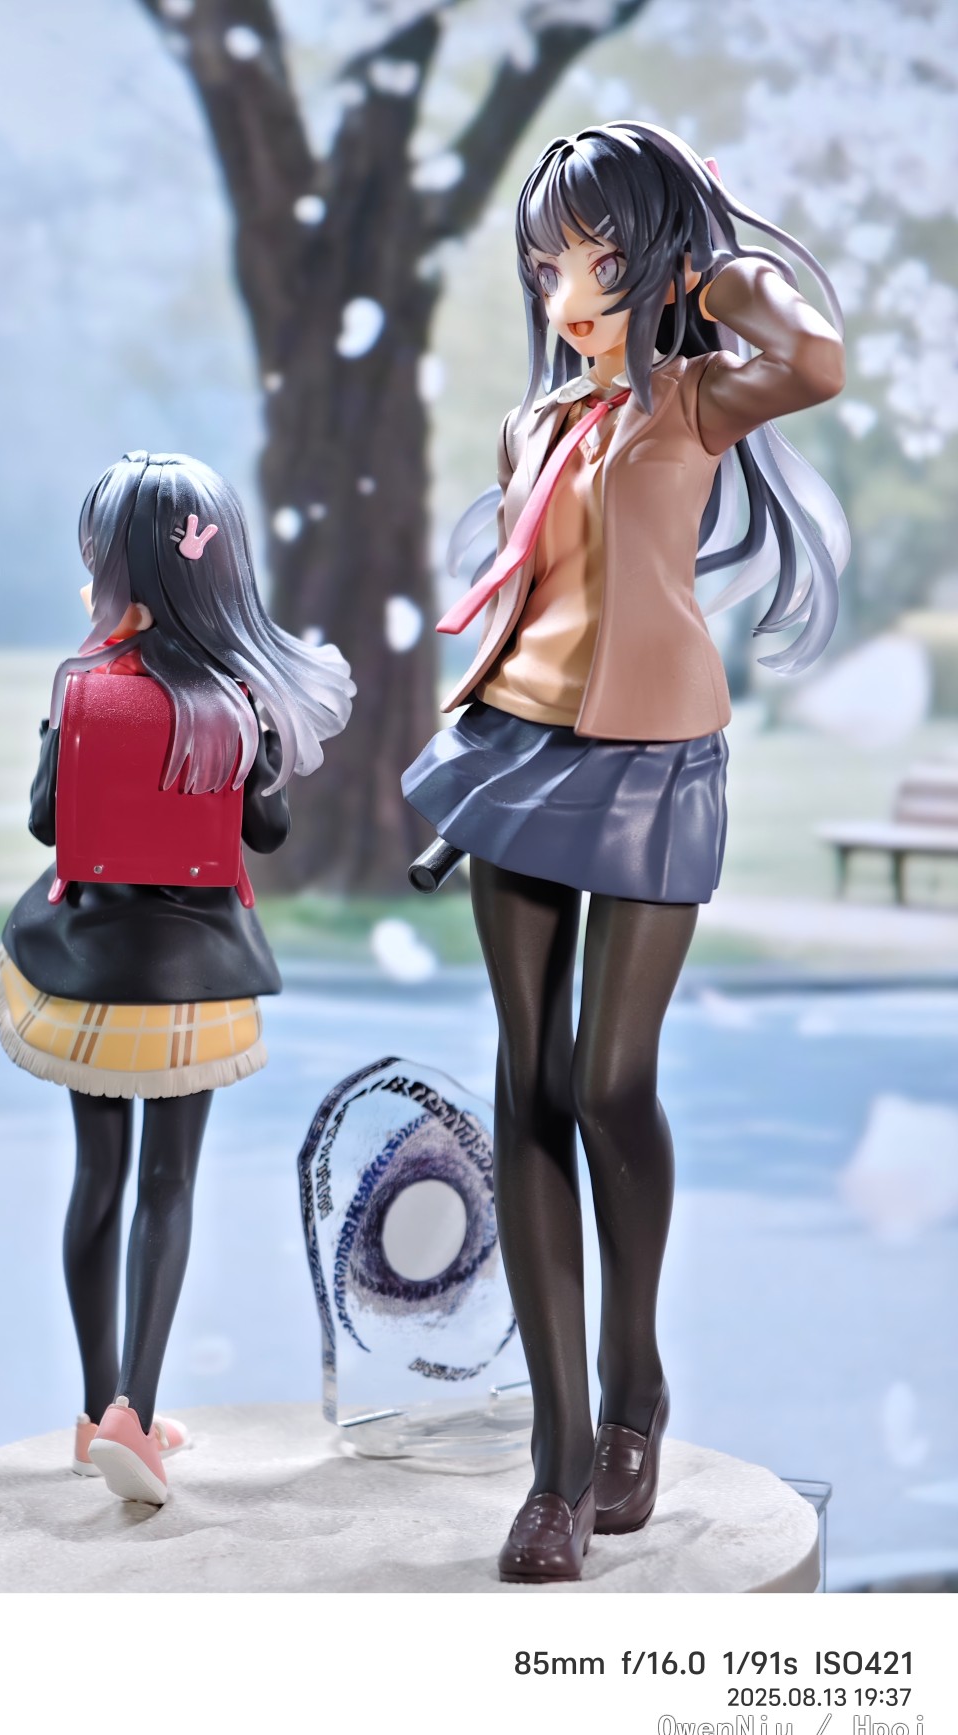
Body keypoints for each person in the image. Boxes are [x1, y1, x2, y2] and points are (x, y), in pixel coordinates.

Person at [403, 123, 847, 1580]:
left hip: (656, 760)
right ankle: (557, 1466)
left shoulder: (700, 400)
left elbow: (818, 358)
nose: (568, 292)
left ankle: (634, 1384)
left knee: (609, 1083)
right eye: (549, 264)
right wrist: (468, 766)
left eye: (597, 259)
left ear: (655, 263)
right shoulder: (534, 426)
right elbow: (529, 598)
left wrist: (706, 274)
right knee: (526, 1080)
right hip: (517, 752)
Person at [0, 451, 354, 1506]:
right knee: (168, 1184)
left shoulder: (81, 685)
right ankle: (134, 1417)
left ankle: (93, 1409)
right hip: (192, 974)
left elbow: (45, 821)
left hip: (85, 965)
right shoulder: (237, 699)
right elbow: (267, 832)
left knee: (97, 1178)